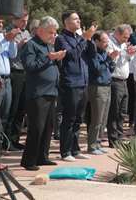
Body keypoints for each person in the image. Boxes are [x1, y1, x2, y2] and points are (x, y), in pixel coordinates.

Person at [20, 16, 65, 170]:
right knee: (36, 128)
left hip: (51, 91)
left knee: (48, 127)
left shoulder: (48, 45)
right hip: (38, 93)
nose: (54, 35)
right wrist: (49, 58)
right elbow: (30, 66)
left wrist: (57, 58)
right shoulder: (31, 45)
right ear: (40, 30)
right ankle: (29, 160)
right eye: (51, 32)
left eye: (55, 33)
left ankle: (42, 157)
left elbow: (49, 65)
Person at [55, 11, 97, 161]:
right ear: (66, 22)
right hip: (71, 82)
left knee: (79, 118)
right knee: (69, 117)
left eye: (79, 18)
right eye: (75, 19)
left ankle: (75, 149)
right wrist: (84, 38)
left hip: (84, 82)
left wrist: (89, 39)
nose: (79, 21)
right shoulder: (61, 39)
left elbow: (91, 55)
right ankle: (65, 151)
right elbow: (72, 55)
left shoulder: (80, 38)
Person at [87, 31, 117, 154]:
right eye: (104, 41)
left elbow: (110, 69)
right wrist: (109, 59)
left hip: (107, 86)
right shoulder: (93, 53)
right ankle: (92, 145)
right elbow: (97, 69)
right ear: (97, 41)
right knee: (97, 118)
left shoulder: (105, 53)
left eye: (107, 41)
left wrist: (111, 60)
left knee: (104, 118)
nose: (106, 44)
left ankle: (98, 143)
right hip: (97, 87)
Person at [106, 24, 136, 147]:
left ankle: (119, 136)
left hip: (124, 80)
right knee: (114, 111)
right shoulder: (110, 43)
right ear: (118, 34)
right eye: (124, 37)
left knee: (122, 112)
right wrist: (123, 54)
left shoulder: (123, 44)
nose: (126, 40)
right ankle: (113, 139)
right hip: (114, 80)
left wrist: (129, 54)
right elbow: (111, 60)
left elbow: (126, 60)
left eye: (127, 37)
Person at [7, 10, 31, 150]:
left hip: (25, 72)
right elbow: (9, 53)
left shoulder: (26, 33)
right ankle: (7, 140)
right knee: (13, 107)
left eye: (26, 20)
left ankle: (15, 139)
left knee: (22, 108)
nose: (25, 23)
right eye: (22, 20)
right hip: (14, 71)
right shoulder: (9, 31)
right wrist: (20, 44)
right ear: (15, 19)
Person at [0, 19, 18, 151]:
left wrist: (11, 40)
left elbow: (13, 54)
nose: (0, 25)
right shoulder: (1, 39)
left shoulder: (3, 37)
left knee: (5, 113)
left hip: (7, 80)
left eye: (1, 22)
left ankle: (1, 143)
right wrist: (5, 39)